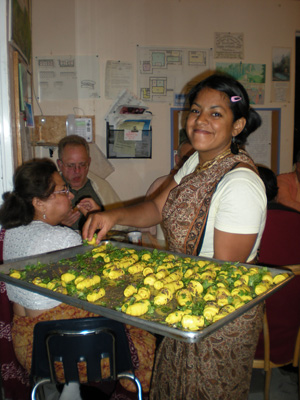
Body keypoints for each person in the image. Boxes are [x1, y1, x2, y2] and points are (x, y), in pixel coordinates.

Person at [82, 73, 267, 399]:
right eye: (195, 111)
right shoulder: (197, 160)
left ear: (237, 126)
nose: (200, 121)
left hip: (218, 317)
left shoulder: (241, 185)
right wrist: (113, 216)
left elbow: (222, 275)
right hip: (187, 301)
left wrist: (157, 288)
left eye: (216, 113)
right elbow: (156, 206)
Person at [0, 158, 155, 399]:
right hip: (69, 351)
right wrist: (96, 217)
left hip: (29, 348)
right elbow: (108, 282)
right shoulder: (61, 239)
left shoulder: (12, 232)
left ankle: (72, 389)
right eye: (63, 190)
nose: (71, 195)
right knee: (144, 331)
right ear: (39, 201)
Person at [57, 135, 122, 231]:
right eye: (71, 165)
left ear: (89, 162)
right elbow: (35, 229)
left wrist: (101, 219)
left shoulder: (102, 187)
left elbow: (122, 225)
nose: (77, 171)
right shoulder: (49, 190)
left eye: (82, 164)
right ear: (60, 165)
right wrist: (58, 224)